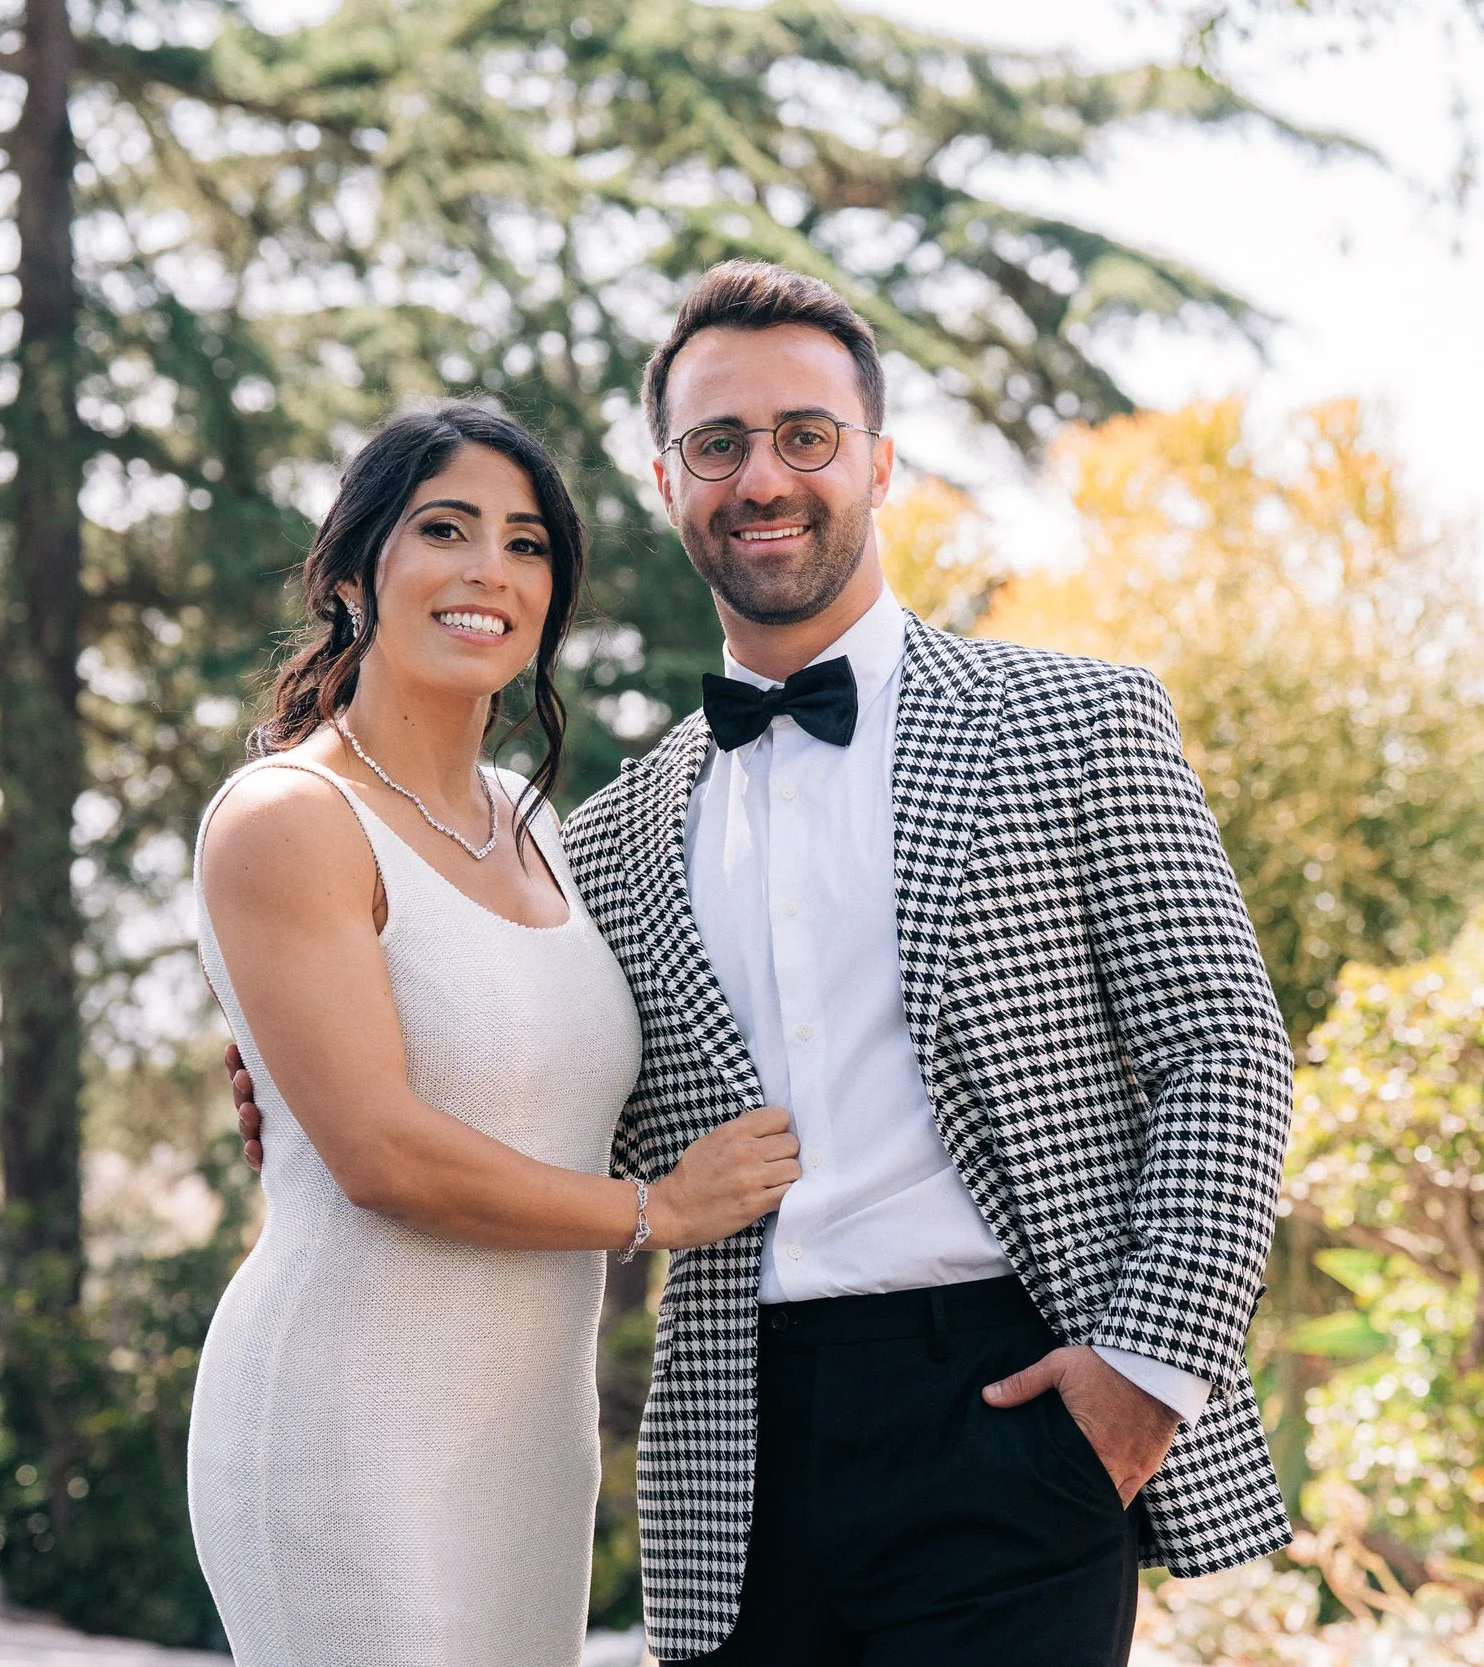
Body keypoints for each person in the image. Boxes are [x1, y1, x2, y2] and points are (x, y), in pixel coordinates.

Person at [232, 264, 1294, 1665]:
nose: (763, 478)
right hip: (734, 1447)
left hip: (1020, 1412)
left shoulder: (1077, 721)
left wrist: (1144, 1373)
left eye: (807, 436)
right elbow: (512, 1060)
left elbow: (1224, 1044)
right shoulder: (600, 840)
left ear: (880, 462)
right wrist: (292, 1075)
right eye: (720, 445)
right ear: (670, 480)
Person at [187, 401, 799, 1667]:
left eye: (527, 545)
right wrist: (656, 1211)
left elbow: (527, 1075)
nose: (489, 570)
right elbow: (381, 1154)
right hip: (344, 1423)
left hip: (526, 1442)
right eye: (446, 529)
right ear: (356, 571)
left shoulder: (535, 823)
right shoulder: (288, 815)